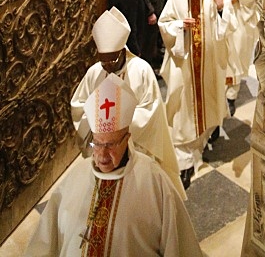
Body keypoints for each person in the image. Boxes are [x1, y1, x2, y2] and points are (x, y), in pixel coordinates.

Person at [27, 73, 202, 256]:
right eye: (97, 144)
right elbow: (44, 243)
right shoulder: (75, 177)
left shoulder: (154, 182)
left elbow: (178, 246)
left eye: (110, 145)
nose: (102, 155)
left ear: (127, 139)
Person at [70, 7, 183, 197]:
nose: (107, 66)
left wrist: (119, 125)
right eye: (103, 60)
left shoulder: (141, 71)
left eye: (111, 60)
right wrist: (96, 121)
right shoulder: (95, 73)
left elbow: (151, 111)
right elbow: (79, 106)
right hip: (104, 149)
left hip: (135, 147)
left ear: (123, 50)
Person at [158, 0, 235, 189]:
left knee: (209, 100)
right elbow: (164, 22)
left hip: (208, 61)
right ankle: (184, 162)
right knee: (182, 110)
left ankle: (208, 131)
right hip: (184, 63)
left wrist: (222, 7)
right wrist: (180, 26)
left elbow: (227, 25)